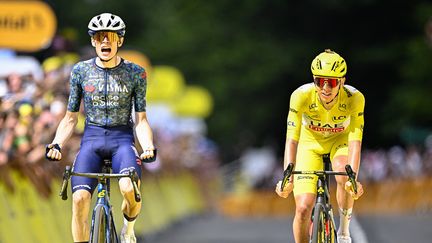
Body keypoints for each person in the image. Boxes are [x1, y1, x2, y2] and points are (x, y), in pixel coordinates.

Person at [45, 13, 155, 243]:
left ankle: (128, 228)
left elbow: (141, 120)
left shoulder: (136, 73)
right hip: (92, 140)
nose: (105, 41)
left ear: (120, 41)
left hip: (121, 141)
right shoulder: (80, 71)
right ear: (93, 41)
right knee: (79, 199)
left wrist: (148, 147)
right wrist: (57, 143)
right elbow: (69, 118)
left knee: (128, 189)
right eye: (99, 36)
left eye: (111, 37)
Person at [275, 49, 365, 243]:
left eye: (332, 82)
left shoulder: (355, 98)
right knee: (303, 208)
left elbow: (355, 141)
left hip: (339, 141)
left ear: (342, 81)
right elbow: (292, 138)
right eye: (319, 81)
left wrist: (353, 179)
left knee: (343, 173)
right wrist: (286, 176)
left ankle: (343, 232)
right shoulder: (300, 96)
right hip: (310, 144)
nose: (325, 88)